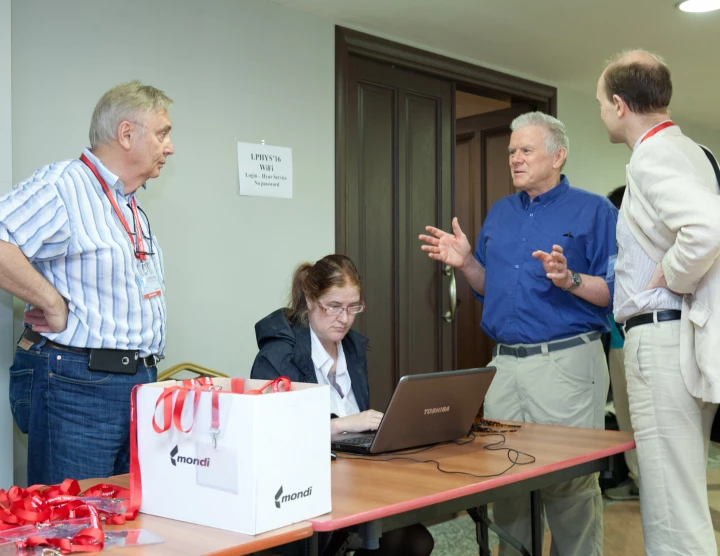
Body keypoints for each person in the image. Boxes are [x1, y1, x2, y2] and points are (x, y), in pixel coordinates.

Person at [419, 112, 617, 556]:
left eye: (526, 150)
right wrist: (467, 263)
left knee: (569, 485)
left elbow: (616, 293)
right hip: (504, 366)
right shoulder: (501, 213)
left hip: (566, 363)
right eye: (511, 151)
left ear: (558, 155)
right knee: (506, 482)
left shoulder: (595, 211)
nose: (515, 159)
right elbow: (493, 287)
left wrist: (570, 280)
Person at [0, 81, 174, 485]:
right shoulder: (64, 185)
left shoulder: (129, 204)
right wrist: (52, 302)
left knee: (124, 529)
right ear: (126, 134)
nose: (170, 147)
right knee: (74, 526)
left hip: (136, 386)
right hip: (78, 387)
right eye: (163, 133)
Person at [597, 50, 720, 554]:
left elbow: (706, 229)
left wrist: (669, 272)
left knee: (671, 505)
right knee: (680, 494)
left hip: (662, 339)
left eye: (602, 102)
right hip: (682, 337)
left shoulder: (653, 155)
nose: (601, 111)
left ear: (621, 105)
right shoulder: (696, 150)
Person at [251, 254, 434, 556]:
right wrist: (343, 425)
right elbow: (271, 436)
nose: (345, 318)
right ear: (310, 299)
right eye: (334, 306)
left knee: (416, 542)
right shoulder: (278, 356)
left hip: (354, 478)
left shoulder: (351, 348)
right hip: (299, 490)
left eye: (353, 307)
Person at [602, 185, 640, 502]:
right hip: (621, 342)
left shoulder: (628, 249)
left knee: (633, 418)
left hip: (628, 343)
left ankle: (643, 481)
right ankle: (641, 479)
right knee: (631, 417)